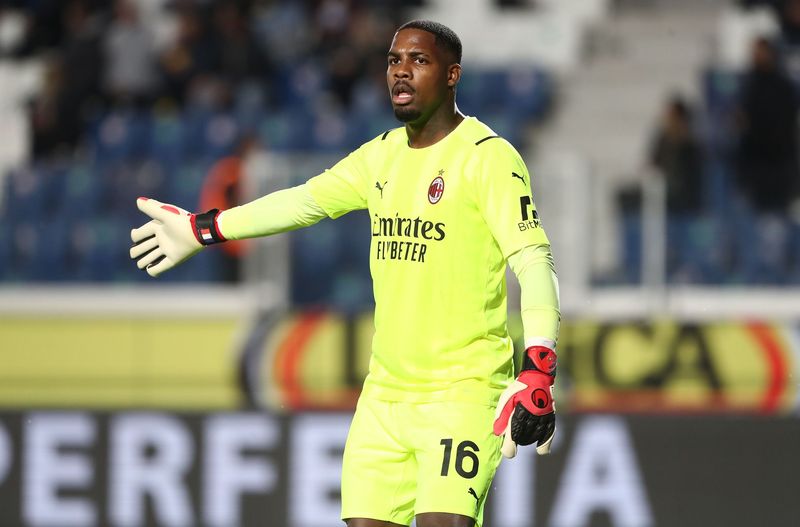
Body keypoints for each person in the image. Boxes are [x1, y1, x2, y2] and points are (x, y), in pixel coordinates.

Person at [130, 20, 560, 527]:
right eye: (394, 60)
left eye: (418, 61)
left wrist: (538, 369)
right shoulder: (379, 157)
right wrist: (207, 229)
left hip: (461, 394)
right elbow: (305, 201)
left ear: (452, 75)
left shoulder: (487, 158)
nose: (401, 71)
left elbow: (534, 262)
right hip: (383, 398)